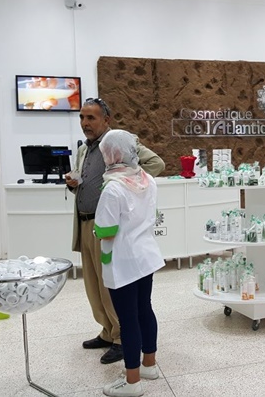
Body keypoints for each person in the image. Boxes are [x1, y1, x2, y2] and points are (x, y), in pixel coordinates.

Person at [66, 97, 164, 365]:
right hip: (86, 223)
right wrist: (74, 183)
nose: (85, 123)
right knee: (94, 285)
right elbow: (86, 180)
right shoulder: (84, 149)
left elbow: (156, 164)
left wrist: (126, 184)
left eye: (91, 118)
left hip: (111, 229)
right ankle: (108, 330)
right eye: (82, 118)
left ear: (106, 120)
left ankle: (122, 337)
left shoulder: (120, 144)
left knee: (111, 285)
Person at [94, 130, 164, 397]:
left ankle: (132, 381)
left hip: (123, 261)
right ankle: (149, 365)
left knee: (127, 319)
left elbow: (106, 231)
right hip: (145, 256)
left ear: (112, 154)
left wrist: (96, 230)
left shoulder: (113, 188)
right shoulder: (147, 180)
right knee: (144, 309)